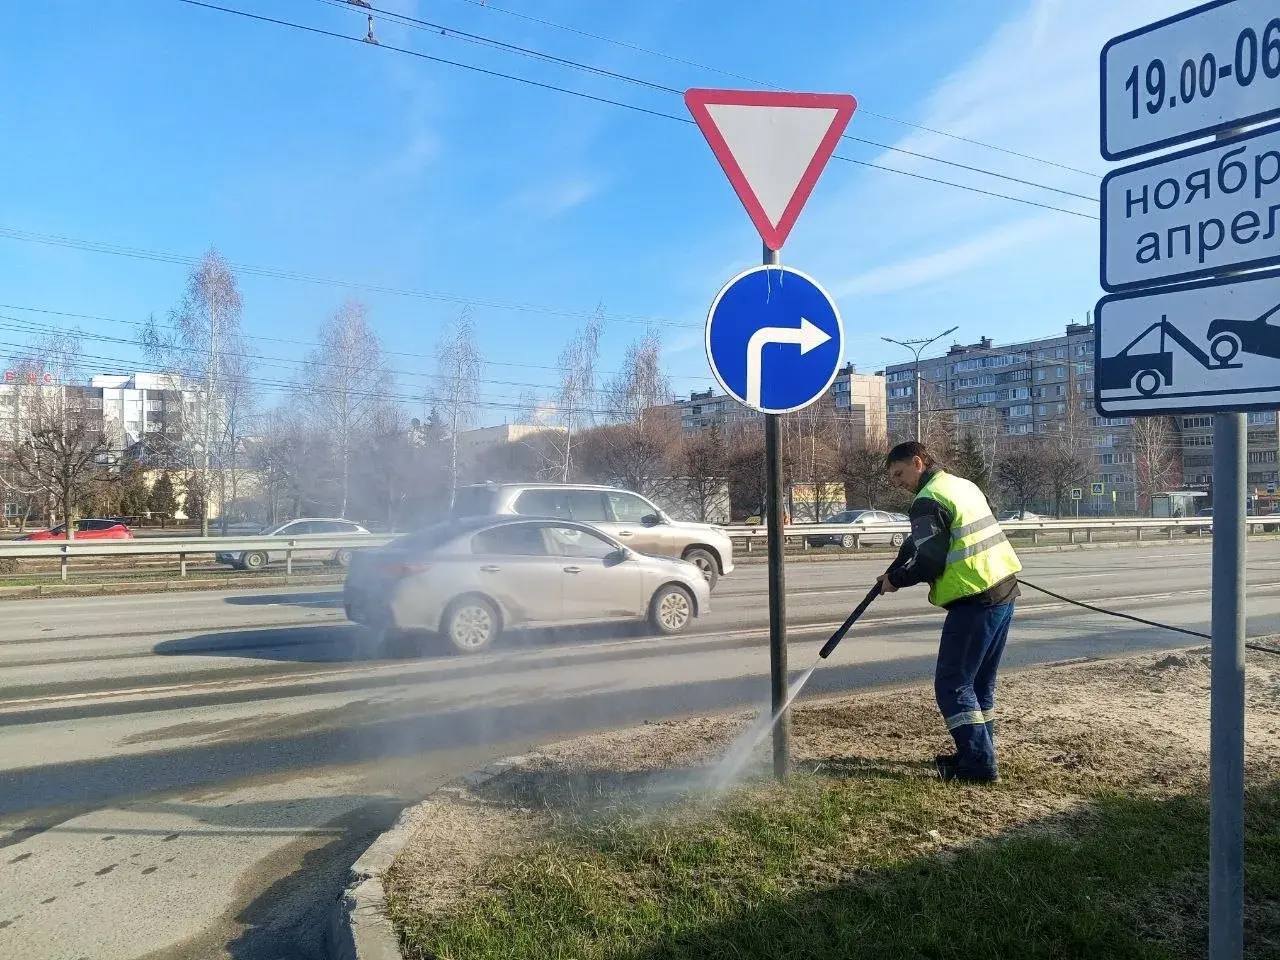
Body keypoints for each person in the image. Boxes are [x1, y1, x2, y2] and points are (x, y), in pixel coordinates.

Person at [875, 441, 1022, 783]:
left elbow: (929, 560)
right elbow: (919, 543)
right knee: (979, 684)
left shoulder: (927, 499)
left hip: (974, 599)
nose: (897, 482)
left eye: (899, 473)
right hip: (1002, 589)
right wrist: (893, 567)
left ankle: (979, 766)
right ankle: (980, 753)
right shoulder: (960, 485)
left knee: (953, 685)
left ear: (917, 462)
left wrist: (896, 580)